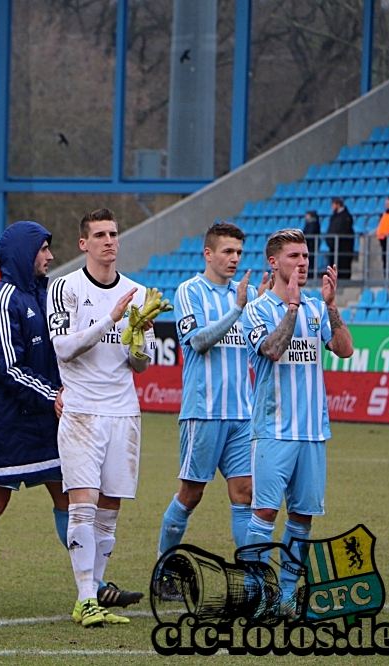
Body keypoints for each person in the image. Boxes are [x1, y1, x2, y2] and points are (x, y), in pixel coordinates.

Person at [47, 208, 156, 627]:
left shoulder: (138, 292)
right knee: (84, 501)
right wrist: (112, 319)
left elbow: (140, 363)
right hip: (80, 410)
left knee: (110, 505)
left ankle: (94, 592)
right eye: (100, 235)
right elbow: (63, 348)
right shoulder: (66, 288)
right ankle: (84, 599)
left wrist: (137, 337)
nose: (109, 241)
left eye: (113, 233)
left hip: (124, 411)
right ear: (84, 243)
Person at [242, 228, 353, 616]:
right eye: (294, 256)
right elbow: (271, 350)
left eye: (305, 256)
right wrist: (290, 310)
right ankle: (255, 593)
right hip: (273, 430)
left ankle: (287, 595)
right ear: (273, 263)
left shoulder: (316, 308)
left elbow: (344, 349)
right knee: (265, 514)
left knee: (302, 517)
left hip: (312, 432)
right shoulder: (255, 311)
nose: (303, 263)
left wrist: (331, 304)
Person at [0, 221, 66, 617]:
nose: (49, 256)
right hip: (6, 422)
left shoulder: (42, 295)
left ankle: (91, 585)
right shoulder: (1, 302)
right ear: (25, 252)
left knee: (66, 496)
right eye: (43, 249)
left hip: (41, 419)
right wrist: (53, 395)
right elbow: (10, 368)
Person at [156, 223, 265, 582]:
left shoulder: (244, 294)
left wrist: (260, 305)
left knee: (245, 492)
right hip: (203, 412)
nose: (234, 259)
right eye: (227, 251)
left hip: (242, 413)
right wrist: (237, 310)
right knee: (191, 494)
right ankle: (166, 570)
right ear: (208, 253)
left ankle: (252, 581)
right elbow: (199, 341)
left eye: (238, 252)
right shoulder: (190, 291)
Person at [326, 198, 354, 280]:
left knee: (343, 266)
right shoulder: (334, 216)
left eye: (333, 204)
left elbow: (344, 231)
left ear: (338, 204)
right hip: (333, 247)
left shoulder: (346, 217)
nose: (332, 207)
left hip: (343, 248)